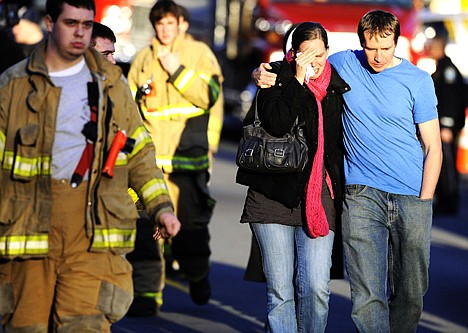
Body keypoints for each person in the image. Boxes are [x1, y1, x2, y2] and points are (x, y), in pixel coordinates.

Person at [253, 10, 442, 333]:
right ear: (360, 43)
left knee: (410, 293)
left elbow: (433, 147)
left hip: (411, 196)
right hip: (360, 193)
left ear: (397, 42)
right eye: (370, 48)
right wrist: (262, 73)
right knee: (367, 294)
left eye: (385, 47)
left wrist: (425, 200)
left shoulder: (418, 81)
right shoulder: (343, 64)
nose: (378, 56)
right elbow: (297, 64)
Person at [0, 0, 181, 331]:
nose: (80, 33)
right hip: (29, 235)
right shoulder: (14, 85)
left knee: (85, 325)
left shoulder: (114, 87)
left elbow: (140, 154)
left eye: (86, 25)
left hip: (92, 231)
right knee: (27, 326)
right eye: (71, 24)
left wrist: (160, 208)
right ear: (50, 24)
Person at [237, 22, 349, 333]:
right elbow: (276, 124)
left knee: (315, 288)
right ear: (292, 54)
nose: (313, 62)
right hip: (273, 195)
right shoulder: (274, 78)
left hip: (318, 198)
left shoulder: (336, 85)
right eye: (305, 55)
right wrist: (298, 81)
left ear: (328, 52)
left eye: (320, 54)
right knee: (280, 292)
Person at [127, 0, 223, 311]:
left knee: (190, 230)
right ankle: (146, 295)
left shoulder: (199, 54)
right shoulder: (143, 58)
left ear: (180, 23)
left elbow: (210, 96)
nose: (165, 30)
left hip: (187, 159)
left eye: (170, 23)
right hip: (150, 163)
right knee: (146, 233)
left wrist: (176, 71)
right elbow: (130, 108)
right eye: (159, 24)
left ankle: (197, 274)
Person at [427, 34, 466, 216]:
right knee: (443, 164)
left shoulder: (448, 70)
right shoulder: (441, 68)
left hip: (446, 128)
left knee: (448, 165)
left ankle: (450, 201)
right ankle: (443, 199)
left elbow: (451, 100)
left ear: (439, 49)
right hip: (442, 126)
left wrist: (447, 126)